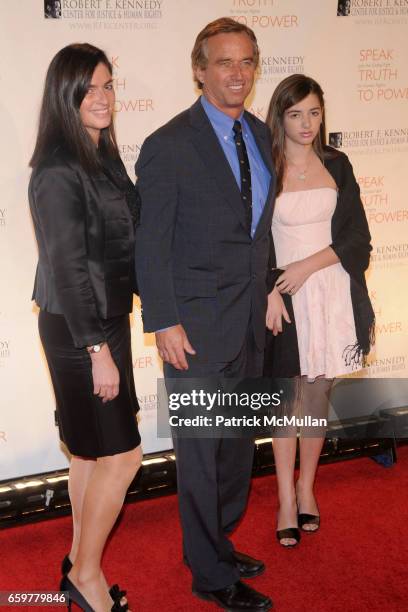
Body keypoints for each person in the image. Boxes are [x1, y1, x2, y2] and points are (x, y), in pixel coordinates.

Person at [135, 17, 274, 612]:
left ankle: (217, 540)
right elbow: (150, 244)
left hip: (250, 324)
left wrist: (270, 290)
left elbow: (258, 236)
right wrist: (163, 319)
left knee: (238, 447)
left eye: (246, 62)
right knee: (199, 451)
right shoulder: (169, 144)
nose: (237, 73)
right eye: (224, 62)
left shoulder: (264, 135)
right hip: (192, 327)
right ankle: (210, 574)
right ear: (199, 70)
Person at [29, 43, 142, 611]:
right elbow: (68, 269)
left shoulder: (104, 155)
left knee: (90, 456)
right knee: (122, 456)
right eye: (88, 89)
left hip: (106, 321)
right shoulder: (56, 169)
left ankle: (78, 561)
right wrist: (97, 348)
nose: (102, 98)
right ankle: (86, 575)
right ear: (64, 97)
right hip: (81, 331)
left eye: (107, 85)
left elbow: (126, 240)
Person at [264, 74, 374, 547]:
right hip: (283, 298)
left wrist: (308, 265)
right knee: (285, 402)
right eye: (295, 114)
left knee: (315, 399)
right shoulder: (264, 168)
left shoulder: (338, 164)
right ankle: (284, 497)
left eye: (314, 112)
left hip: (332, 295)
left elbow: (357, 240)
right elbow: (251, 242)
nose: (306, 123)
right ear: (280, 117)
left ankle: (307, 487)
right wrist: (269, 289)